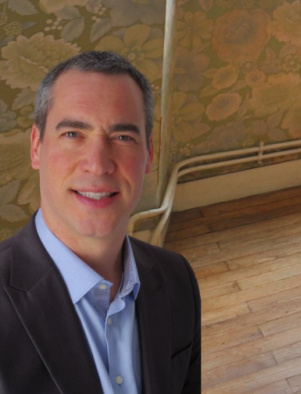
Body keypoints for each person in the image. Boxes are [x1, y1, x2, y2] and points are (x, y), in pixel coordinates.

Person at [0, 51, 201, 393]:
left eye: (123, 137)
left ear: (149, 154)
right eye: (73, 134)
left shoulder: (177, 277)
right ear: (36, 147)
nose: (97, 164)